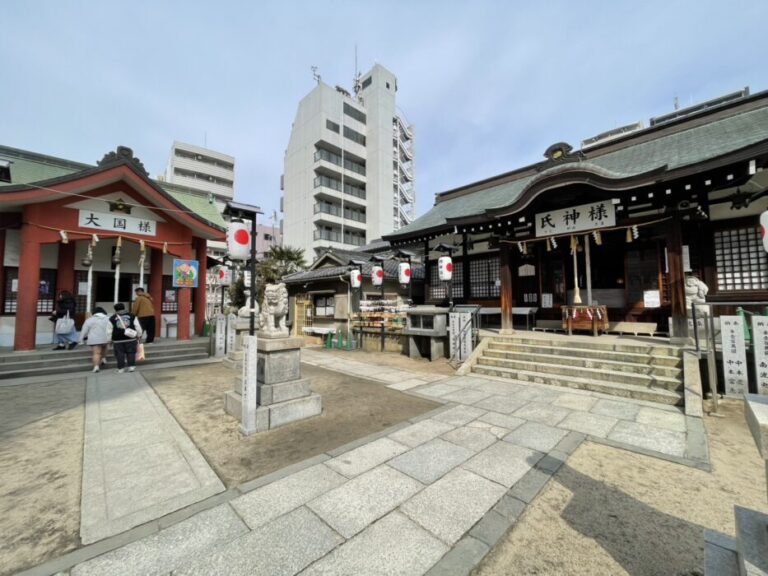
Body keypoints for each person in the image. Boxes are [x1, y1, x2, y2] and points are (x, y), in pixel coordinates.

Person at [109, 302, 142, 373]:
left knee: (119, 354)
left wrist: (109, 340)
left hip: (117, 340)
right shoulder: (132, 316)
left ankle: (121, 368)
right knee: (131, 352)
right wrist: (139, 335)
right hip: (131, 338)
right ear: (124, 307)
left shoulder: (112, 318)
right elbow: (137, 327)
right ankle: (131, 367)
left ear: (115, 309)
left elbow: (109, 330)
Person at [80, 307, 111, 372]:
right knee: (105, 348)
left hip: (94, 339)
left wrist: (81, 339)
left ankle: (96, 367)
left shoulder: (89, 320)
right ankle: (103, 358)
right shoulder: (108, 319)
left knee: (96, 353)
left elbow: (84, 331)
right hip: (106, 338)